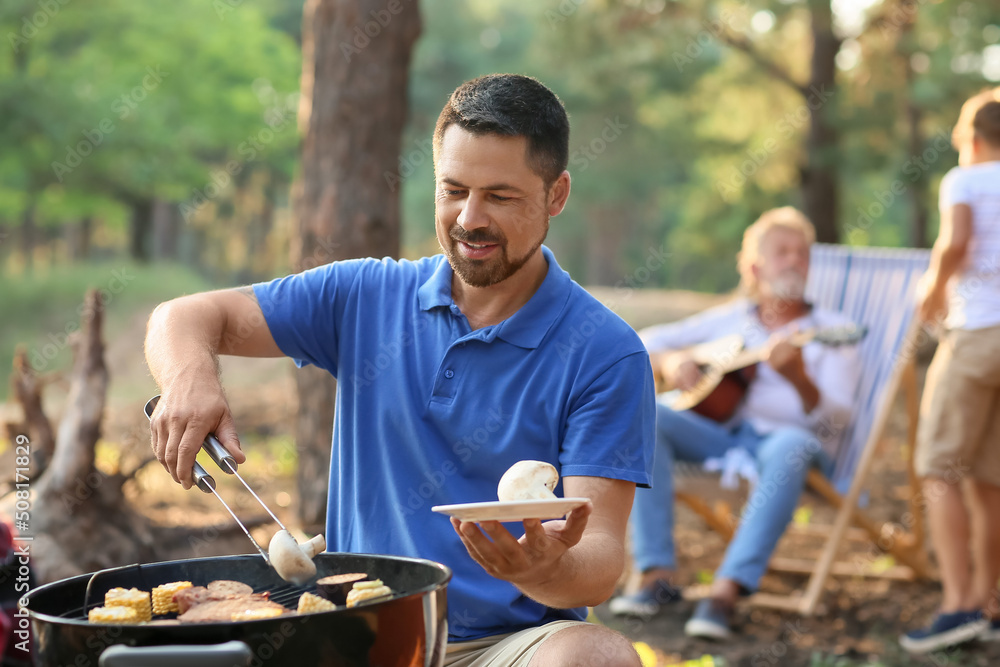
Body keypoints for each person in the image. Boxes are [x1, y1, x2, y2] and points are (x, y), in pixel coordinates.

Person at [144, 73, 655, 667]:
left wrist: (545, 568)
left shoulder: (606, 353)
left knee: (596, 656)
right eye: (453, 189)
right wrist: (189, 379)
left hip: (503, 648)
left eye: (501, 196)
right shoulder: (363, 294)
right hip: (353, 635)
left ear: (557, 195)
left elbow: (598, 565)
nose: (470, 219)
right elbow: (184, 316)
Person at [608, 207, 862, 640]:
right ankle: (657, 575)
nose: (795, 261)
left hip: (789, 444)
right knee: (647, 414)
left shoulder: (832, 330)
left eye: (803, 253)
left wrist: (798, 378)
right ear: (754, 266)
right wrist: (674, 361)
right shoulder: (732, 319)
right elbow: (644, 341)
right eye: (782, 251)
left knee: (791, 445)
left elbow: (838, 418)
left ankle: (725, 591)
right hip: (722, 439)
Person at [900, 89, 1000, 655]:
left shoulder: (966, 180)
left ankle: (958, 604)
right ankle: (990, 604)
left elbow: (955, 243)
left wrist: (931, 300)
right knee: (990, 478)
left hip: (977, 334)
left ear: (972, 140)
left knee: (938, 468)